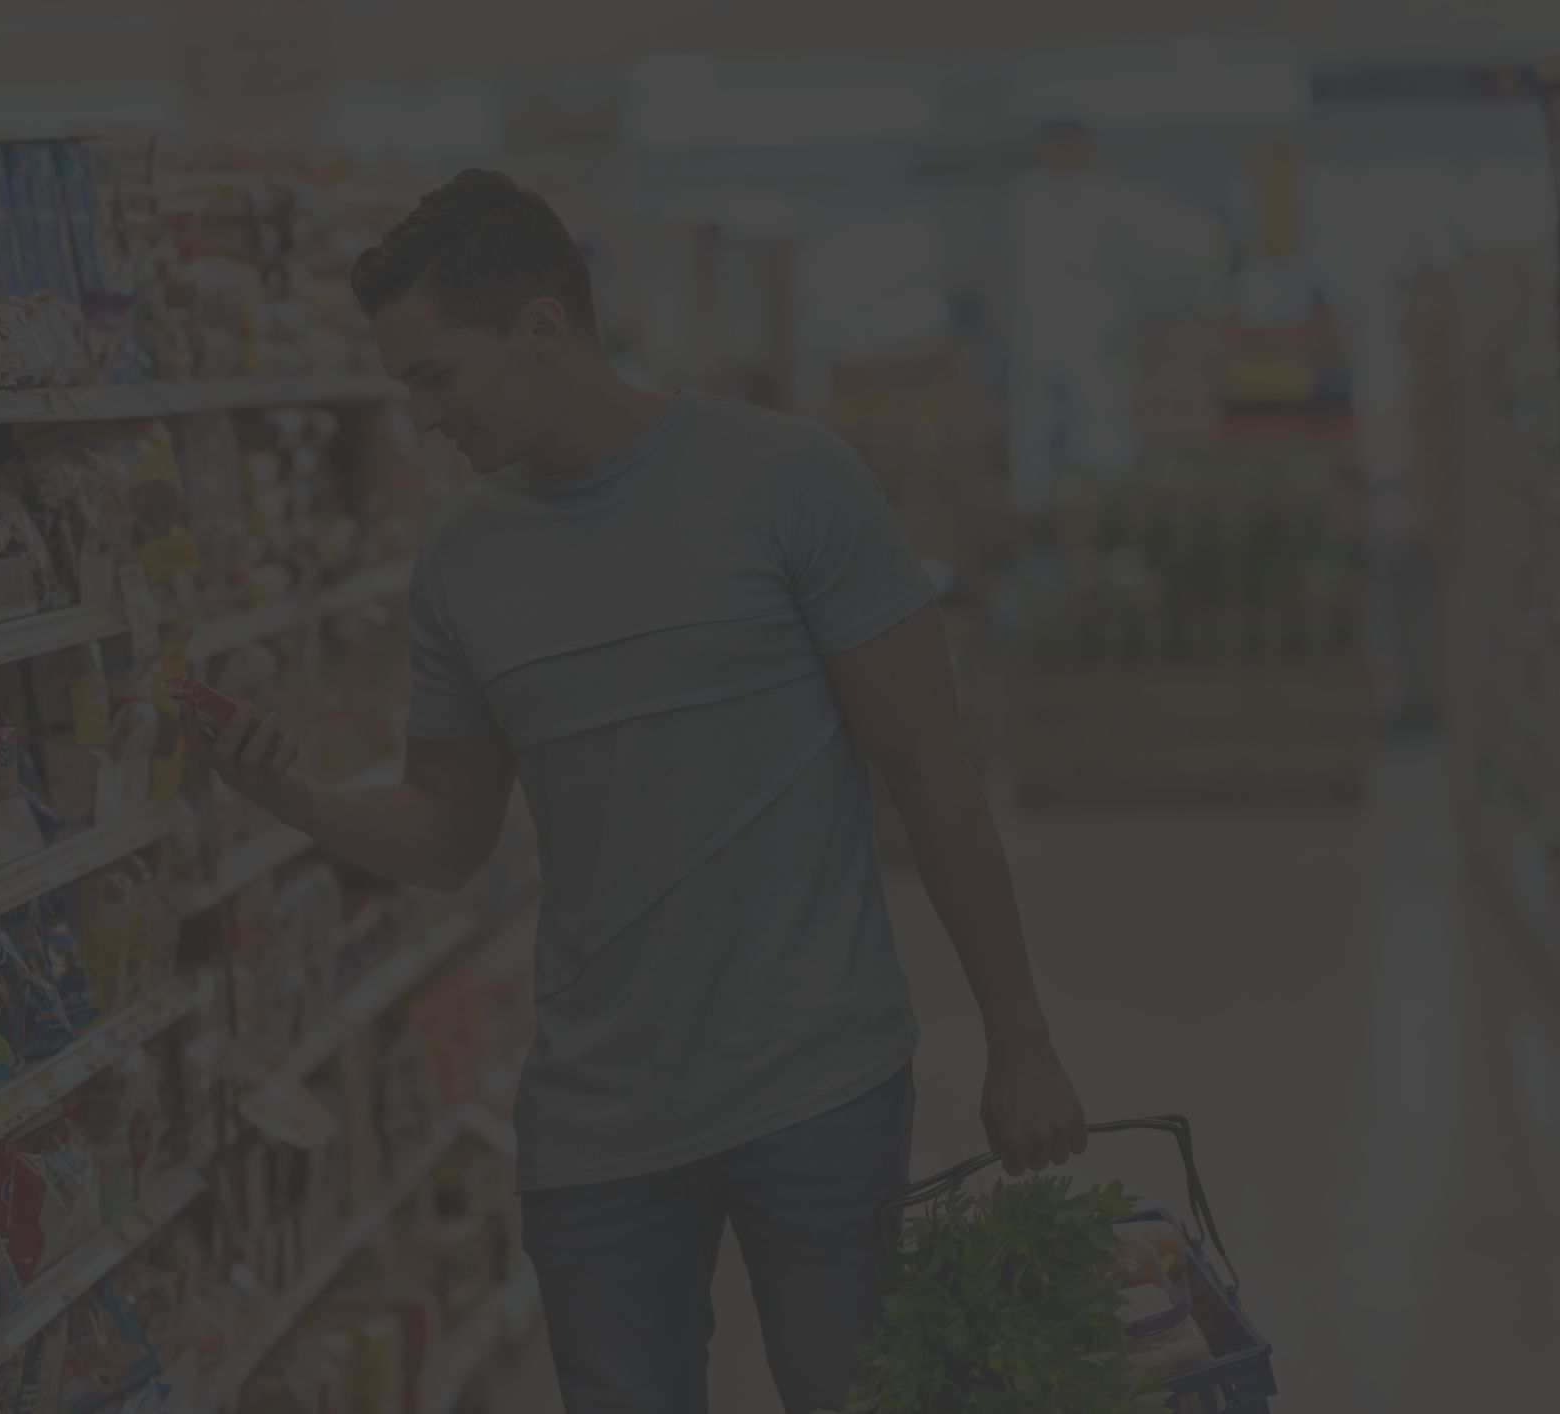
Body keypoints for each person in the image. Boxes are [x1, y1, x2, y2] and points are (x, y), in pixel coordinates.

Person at [181, 169, 1088, 1414]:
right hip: (596, 1123)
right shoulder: (461, 559)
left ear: (541, 328)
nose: (422, 419)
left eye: (434, 376)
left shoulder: (789, 482)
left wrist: (1020, 1041)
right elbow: (447, 832)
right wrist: (298, 801)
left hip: (811, 1084)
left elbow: (929, 771)